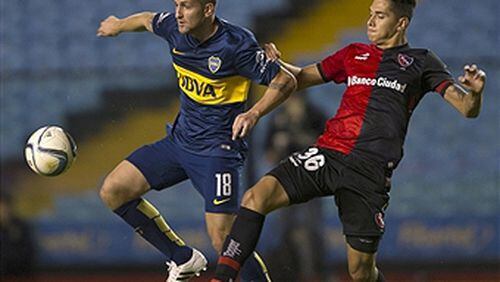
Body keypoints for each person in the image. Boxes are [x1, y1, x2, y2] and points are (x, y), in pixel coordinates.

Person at [211, 0, 486, 281]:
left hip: (368, 172)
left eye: (380, 16)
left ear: (401, 23)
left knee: (361, 272)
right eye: (370, 14)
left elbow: (466, 108)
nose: (370, 21)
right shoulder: (354, 54)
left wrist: (474, 93)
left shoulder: (422, 61)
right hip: (328, 154)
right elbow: (303, 77)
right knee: (256, 197)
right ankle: (222, 277)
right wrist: (272, 63)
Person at [96, 0, 296, 281]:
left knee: (226, 242)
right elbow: (145, 19)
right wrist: (118, 25)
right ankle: (183, 258)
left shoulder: (236, 44)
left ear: (208, 9)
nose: (178, 13)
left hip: (217, 153)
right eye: (176, 4)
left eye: (187, 6)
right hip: (179, 143)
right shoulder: (174, 29)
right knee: (113, 190)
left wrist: (253, 113)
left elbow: (286, 80)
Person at [263, 93, 326, 281]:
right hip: (286, 182)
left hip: (312, 182)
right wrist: (279, 145)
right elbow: (269, 155)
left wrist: (298, 133)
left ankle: (316, 273)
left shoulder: (314, 115)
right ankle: (290, 273)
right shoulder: (278, 117)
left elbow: (327, 147)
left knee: (311, 228)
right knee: (286, 229)